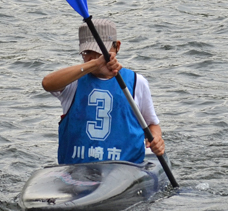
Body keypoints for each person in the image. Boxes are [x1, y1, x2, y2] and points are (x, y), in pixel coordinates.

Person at [41, 18, 165, 165]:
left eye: (99, 52)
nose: (93, 57)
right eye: (87, 52)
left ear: (117, 47)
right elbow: (47, 83)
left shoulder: (137, 82)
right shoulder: (73, 81)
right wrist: (94, 64)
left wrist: (156, 139)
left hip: (126, 170)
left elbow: (152, 124)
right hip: (76, 171)